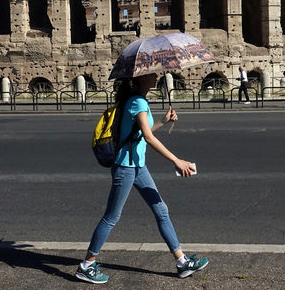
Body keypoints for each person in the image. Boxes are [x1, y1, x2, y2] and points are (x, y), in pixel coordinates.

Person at [76, 73, 209, 284]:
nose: (157, 76)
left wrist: (163, 121)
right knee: (111, 217)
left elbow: (140, 133)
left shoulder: (138, 100)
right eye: (152, 74)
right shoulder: (136, 101)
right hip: (125, 168)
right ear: (141, 78)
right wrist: (176, 160)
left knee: (161, 210)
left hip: (138, 166)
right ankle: (86, 265)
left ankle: (182, 262)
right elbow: (147, 137)